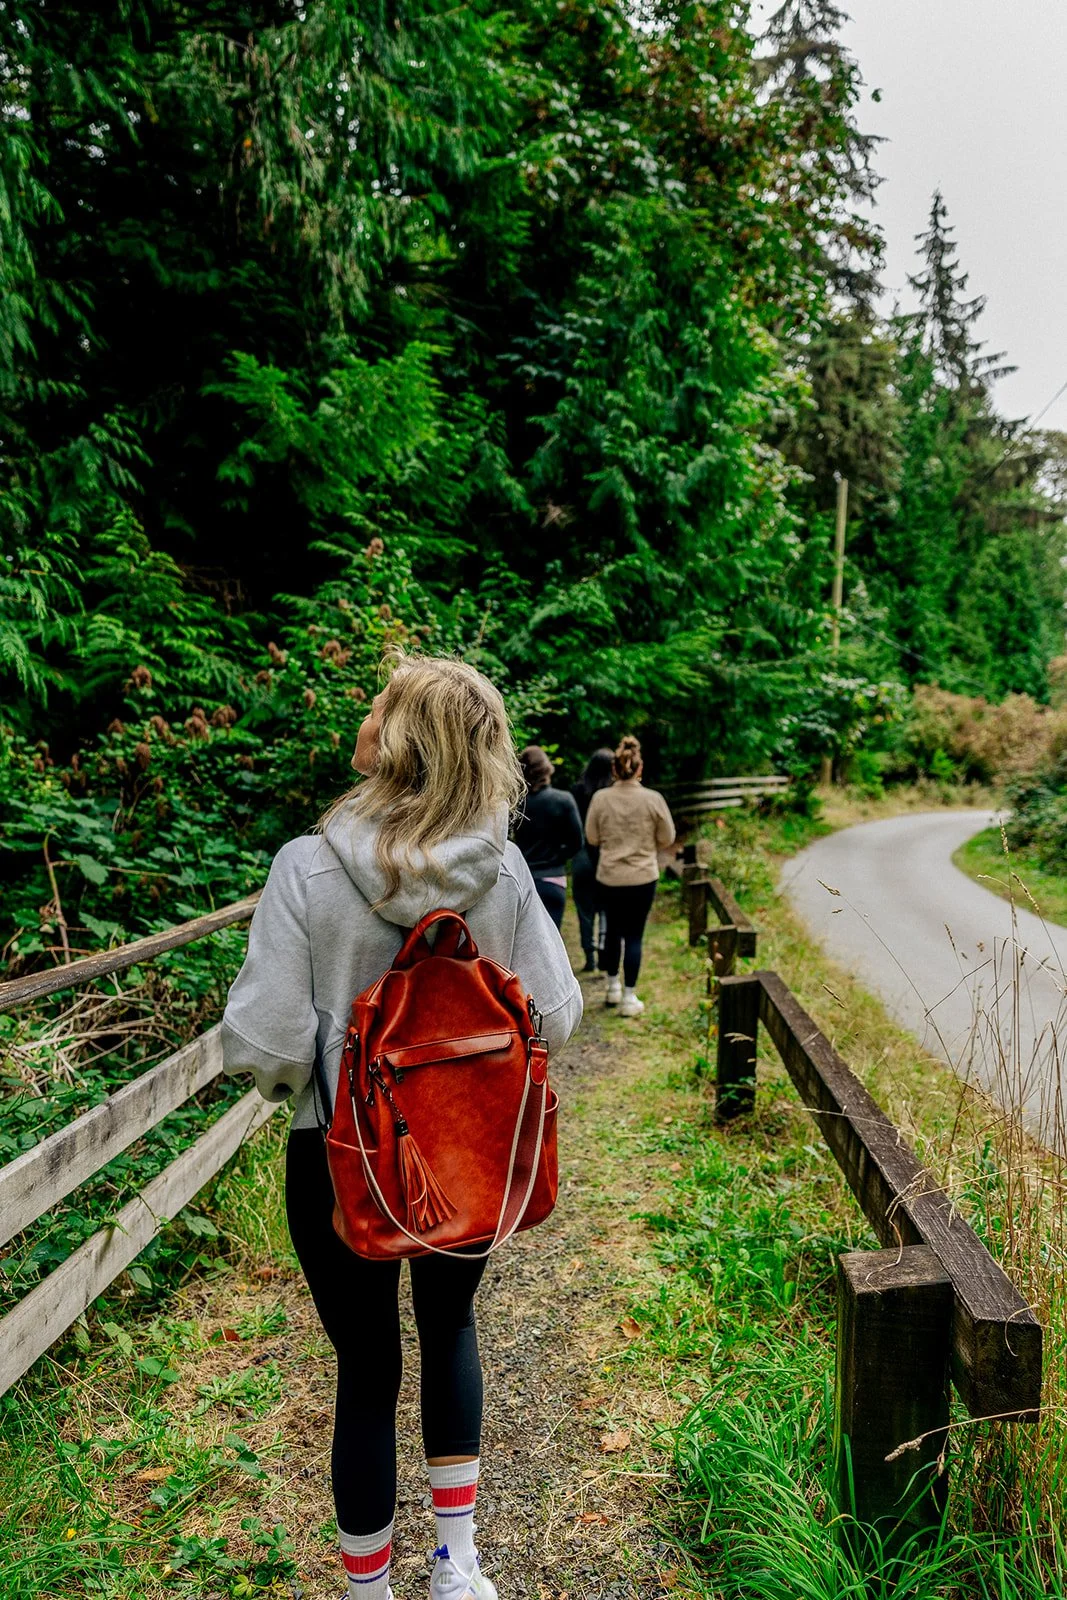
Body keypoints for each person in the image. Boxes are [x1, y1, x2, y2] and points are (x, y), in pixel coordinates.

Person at [220, 653, 583, 1600]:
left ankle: (367, 1588)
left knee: (366, 1365)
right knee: (451, 1323)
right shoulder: (498, 871)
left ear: (402, 735)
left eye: (380, 701)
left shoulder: (306, 867)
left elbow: (265, 1041)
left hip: (340, 1160)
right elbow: (555, 1012)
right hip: (465, 1153)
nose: (366, 710)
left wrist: (316, 1071)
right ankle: (457, 1564)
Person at [584, 734, 675, 1018]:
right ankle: (628, 997)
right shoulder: (653, 799)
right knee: (634, 935)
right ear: (639, 769)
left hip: (610, 875)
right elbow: (667, 837)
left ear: (614, 769)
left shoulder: (600, 799)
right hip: (642, 877)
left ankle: (611, 986)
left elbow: (592, 837)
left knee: (612, 931)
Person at [513, 745, 583, 931]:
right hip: (553, 880)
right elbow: (577, 843)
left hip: (523, 882)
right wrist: (556, 856)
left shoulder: (516, 804)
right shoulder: (563, 800)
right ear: (547, 769)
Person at [568, 747, 614, 972]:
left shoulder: (577, 791)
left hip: (582, 855)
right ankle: (605, 953)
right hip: (606, 856)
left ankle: (590, 956)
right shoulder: (612, 794)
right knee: (606, 908)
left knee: (584, 911)